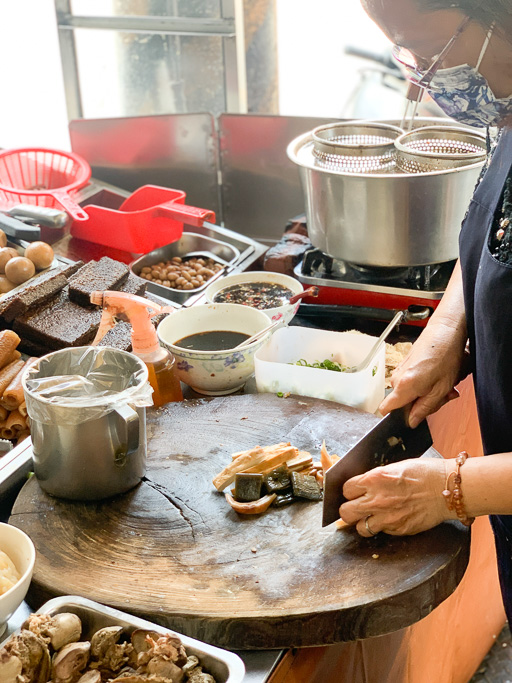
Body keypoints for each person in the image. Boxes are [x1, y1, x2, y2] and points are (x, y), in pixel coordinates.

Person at [339, 0, 512, 624]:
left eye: (426, 53)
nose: (418, 81)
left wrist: (451, 488)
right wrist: (447, 331)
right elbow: (496, 234)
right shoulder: (510, 105)